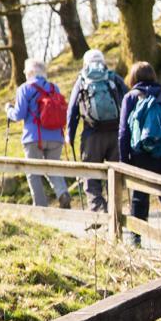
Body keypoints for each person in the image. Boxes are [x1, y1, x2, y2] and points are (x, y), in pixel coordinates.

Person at [118, 61, 161, 243]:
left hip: (141, 154)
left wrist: (124, 161)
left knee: (139, 197)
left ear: (133, 77)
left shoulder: (130, 97)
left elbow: (124, 130)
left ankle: (136, 240)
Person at [67, 49, 128, 211]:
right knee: (114, 174)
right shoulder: (113, 78)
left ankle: (98, 210)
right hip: (116, 133)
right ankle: (115, 211)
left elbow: (72, 109)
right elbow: (128, 100)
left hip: (91, 135)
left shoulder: (82, 81)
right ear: (103, 62)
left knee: (90, 173)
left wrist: (70, 135)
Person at [8, 58, 71, 209]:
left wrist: (8, 110)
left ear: (29, 72)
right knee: (53, 168)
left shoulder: (24, 89)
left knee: (33, 172)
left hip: (34, 137)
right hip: (56, 136)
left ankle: (41, 206)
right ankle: (63, 193)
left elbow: (18, 114)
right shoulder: (54, 87)